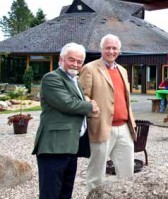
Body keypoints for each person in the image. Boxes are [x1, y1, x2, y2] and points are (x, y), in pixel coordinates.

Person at [32, 42, 99, 199]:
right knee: (50, 194)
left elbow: (74, 104)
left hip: (69, 147)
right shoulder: (51, 78)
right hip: (53, 147)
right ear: (61, 59)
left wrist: (86, 104)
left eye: (79, 61)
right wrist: (90, 106)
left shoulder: (74, 80)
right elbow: (67, 104)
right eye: (72, 59)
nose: (75, 64)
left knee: (65, 193)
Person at [79, 34, 137, 191]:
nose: (111, 51)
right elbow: (82, 94)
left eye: (114, 48)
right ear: (101, 49)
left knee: (127, 173)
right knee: (96, 174)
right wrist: (88, 102)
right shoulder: (90, 68)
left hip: (124, 128)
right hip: (102, 126)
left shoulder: (123, 70)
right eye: (108, 48)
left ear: (119, 50)